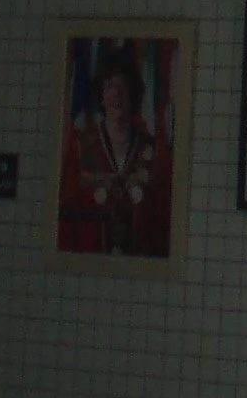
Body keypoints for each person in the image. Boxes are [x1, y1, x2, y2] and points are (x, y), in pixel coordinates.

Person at [57, 38, 174, 256]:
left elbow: (162, 226)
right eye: (110, 85)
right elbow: (67, 219)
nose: (116, 94)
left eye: (123, 85)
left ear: (135, 92)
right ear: (101, 94)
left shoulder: (155, 153)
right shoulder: (81, 148)